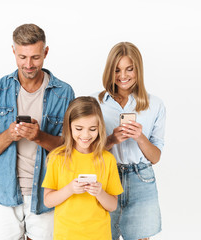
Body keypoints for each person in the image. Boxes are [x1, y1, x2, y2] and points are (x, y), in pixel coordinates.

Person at [0, 23, 75, 240]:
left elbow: (70, 147)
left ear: (46, 52)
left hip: (46, 192)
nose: (28, 64)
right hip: (4, 193)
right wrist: (9, 135)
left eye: (35, 57)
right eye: (22, 57)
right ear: (13, 51)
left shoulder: (64, 92)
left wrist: (39, 137)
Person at [94, 42, 166, 240]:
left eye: (129, 69)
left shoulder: (155, 105)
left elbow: (156, 157)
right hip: (106, 177)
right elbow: (86, 151)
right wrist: (111, 140)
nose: (123, 76)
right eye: (117, 70)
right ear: (109, 71)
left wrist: (140, 138)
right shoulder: (95, 103)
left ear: (138, 70)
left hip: (141, 178)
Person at [42, 96, 124, 240]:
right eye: (79, 128)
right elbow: (48, 201)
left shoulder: (107, 159)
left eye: (92, 129)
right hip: (66, 235)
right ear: (69, 127)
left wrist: (100, 193)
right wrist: (70, 189)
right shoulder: (56, 157)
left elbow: (113, 206)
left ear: (100, 128)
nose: (85, 135)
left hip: (99, 235)